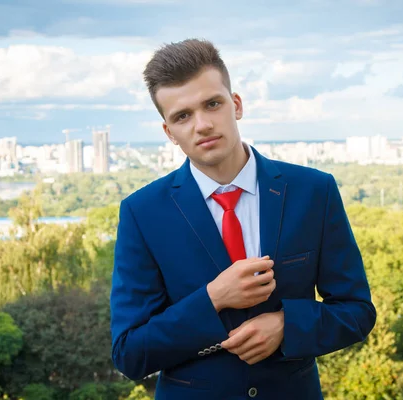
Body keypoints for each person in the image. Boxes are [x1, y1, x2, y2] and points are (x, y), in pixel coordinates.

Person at [110, 38, 376, 400]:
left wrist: (288, 325)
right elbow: (129, 352)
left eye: (212, 104)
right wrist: (212, 298)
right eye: (183, 116)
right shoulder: (142, 213)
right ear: (169, 132)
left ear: (235, 105)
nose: (202, 125)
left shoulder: (314, 191)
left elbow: (357, 311)